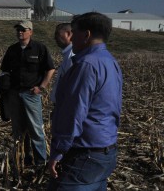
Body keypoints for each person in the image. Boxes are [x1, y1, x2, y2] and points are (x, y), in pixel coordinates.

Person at [48, 12, 123, 190]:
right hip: (106, 150)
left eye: (74, 32)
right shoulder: (111, 62)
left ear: (87, 35)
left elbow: (73, 113)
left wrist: (58, 152)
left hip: (84, 154)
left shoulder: (86, 65)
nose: (71, 37)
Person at [0, 20, 55, 169]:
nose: (20, 32)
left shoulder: (39, 49)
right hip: (14, 94)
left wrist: (41, 87)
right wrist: (3, 83)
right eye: (18, 30)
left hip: (31, 94)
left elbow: (50, 69)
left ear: (31, 31)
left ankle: (40, 162)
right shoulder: (12, 50)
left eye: (23, 30)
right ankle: (22, 158)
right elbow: (4, 70)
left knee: (36, 129)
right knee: (18, 130)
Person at [49, 23, 74, 105]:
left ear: (68, 34)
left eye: (57, 34)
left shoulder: (72, 55)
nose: (55, 38)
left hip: (65, 105)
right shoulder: (68, 54)